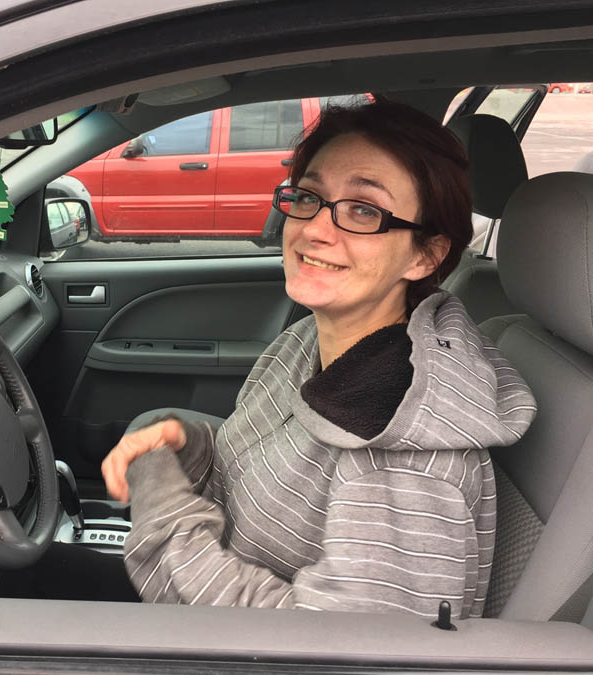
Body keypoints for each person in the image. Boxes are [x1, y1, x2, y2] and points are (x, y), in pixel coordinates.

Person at [101, 99, 537, 618]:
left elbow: (334, 647)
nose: (314, 229)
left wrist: (158, 496)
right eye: (309, 197)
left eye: (364, 211)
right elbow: (248, 478)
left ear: (426, 256)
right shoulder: (309, 339)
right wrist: (185, 446)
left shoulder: (404, 453)